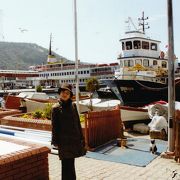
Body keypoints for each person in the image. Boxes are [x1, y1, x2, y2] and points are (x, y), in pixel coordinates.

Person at [51, 83, 86, 180]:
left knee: (71, 164)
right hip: (63, 142)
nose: (64, 94)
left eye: (67, 92)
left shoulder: (73, 106)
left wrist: (81, 138)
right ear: (60, 93)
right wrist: (55, 141)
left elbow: (77, 123)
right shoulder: (55, 108)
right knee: (65, 166)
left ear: (70, 95)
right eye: (63, 92)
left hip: (74, 140)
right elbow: (54, 127)